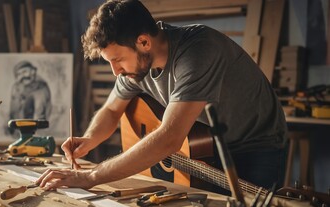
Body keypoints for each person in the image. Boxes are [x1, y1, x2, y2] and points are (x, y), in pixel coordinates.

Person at [35, 0, 287, 193]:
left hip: (255, 146)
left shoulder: (198, 51)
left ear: (144, 42)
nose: (116, 72)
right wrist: (89, 139)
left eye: (118, 60)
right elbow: (112, 110)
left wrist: (91, 176)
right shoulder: (137, 65)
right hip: (205, 147)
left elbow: (169, 138)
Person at [8, 61, 52, 135]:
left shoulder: (41, 87)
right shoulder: (16, 87)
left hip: (36, 131)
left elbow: (40, 113)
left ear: (33, 71)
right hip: (18, 130)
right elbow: (13, 110)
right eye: (19, 74)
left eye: (24, 72)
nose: (22, 76)